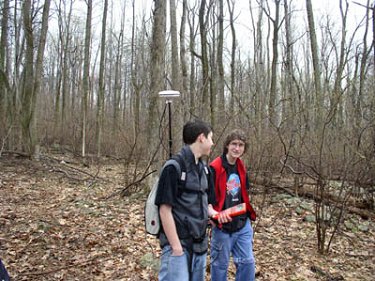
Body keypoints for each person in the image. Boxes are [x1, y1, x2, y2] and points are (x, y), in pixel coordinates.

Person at [155, 119, 215, 281]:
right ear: (201, 138)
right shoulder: (174, 167)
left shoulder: (204, 169)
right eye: (210, 138)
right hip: (178, 246)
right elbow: (164, 210)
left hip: (200, 246)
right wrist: (176, 248)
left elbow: (204, 203)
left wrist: (214, 215)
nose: (212, 143)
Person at [209, 129, 257, 281]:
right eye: (234, 144)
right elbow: (207, 199)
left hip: (242, 224)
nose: (237, 148)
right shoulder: (214, 167)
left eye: (241, 145)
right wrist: (213, 216)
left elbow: (244, 193)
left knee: (247, 264)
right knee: (219, 266)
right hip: (223, 226)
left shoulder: (241, 166)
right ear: (227, 146)